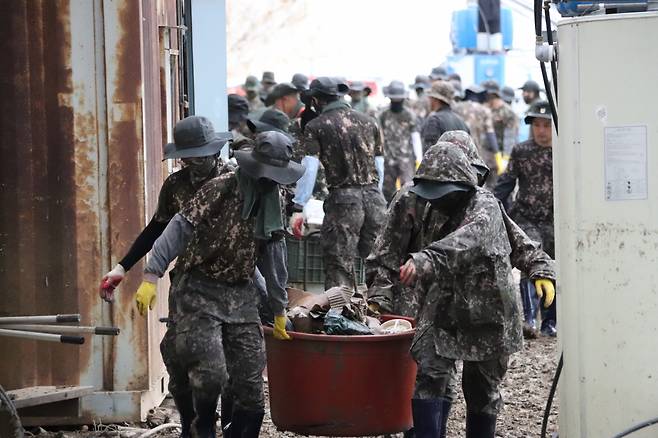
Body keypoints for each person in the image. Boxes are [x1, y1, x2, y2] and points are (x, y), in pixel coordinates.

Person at [133, 131, 304, 438]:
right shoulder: (219, 189)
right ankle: (200, 429)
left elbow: (274, 255)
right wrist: (151, 274)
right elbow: (177, 229)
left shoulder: (273, 199)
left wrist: (278, 307)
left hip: (240, 291)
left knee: (250, 382)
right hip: (199, 287)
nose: (270, 181)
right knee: (210, 372)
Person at [399, 143, 556, 438]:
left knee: (482, 391)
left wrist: (541, 270)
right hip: (443, 309)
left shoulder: (484, 206)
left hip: (489, 314)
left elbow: (478, 240)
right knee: (429, 375)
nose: (436, 200)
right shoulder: (430, 208)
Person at [98, 116, 235, 438]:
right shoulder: (176, 185)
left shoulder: (235, 179)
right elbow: (157, 228)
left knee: (231, 361)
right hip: (188, 280)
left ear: (215, 151)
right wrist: (122, 267)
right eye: (188, 156)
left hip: (232, 281)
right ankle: (192, 422)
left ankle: (227, 425)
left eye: (201, 155)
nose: (194, 162)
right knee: (180, 354)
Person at [293, 77, 386, 289]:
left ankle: (340, 317)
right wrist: (375, 195)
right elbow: (380, 167)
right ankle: (376, 313)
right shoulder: (370, 122)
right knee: (375, 262)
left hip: (343, 202)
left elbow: (309, 169)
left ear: (316, 100)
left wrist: (299, 204)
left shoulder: (316, 126)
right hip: (375, 199)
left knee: (339, 267)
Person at [494, 100, 557, 337]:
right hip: (527, 217)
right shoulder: (522, 151)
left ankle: (550, 321)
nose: (541, 130)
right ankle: (529, 318)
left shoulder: (565, 151)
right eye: (537, 125)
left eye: (546, 125)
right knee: (530, 262)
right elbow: (506, 183)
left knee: (551, 267)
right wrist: (491, 206)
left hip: (554, 219)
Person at [379, 80, 422, 201]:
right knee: (387, 190)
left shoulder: (409, 115)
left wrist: (419, 158)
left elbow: (415, 137)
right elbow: (379, 135)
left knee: (408, 190)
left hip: (406, 159)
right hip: (388, 158)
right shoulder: (383, 115)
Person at [453, 85, 499, 189]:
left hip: (456, 151)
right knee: (478, 184)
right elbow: (490, 134)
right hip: (476, 153)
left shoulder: (456, 108)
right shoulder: (484, 110)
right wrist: (497, 155)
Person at [482, 80, 519, 183]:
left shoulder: (507, 112)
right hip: (486, 157)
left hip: (501, 157)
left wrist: (506, 159)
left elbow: (510, 137)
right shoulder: (484, 110)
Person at [420, 81, 469, 151]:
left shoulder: (434, 121)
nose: (429, 100)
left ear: (435, 99)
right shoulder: (461, 121)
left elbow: (429, 153)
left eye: (430, 97)